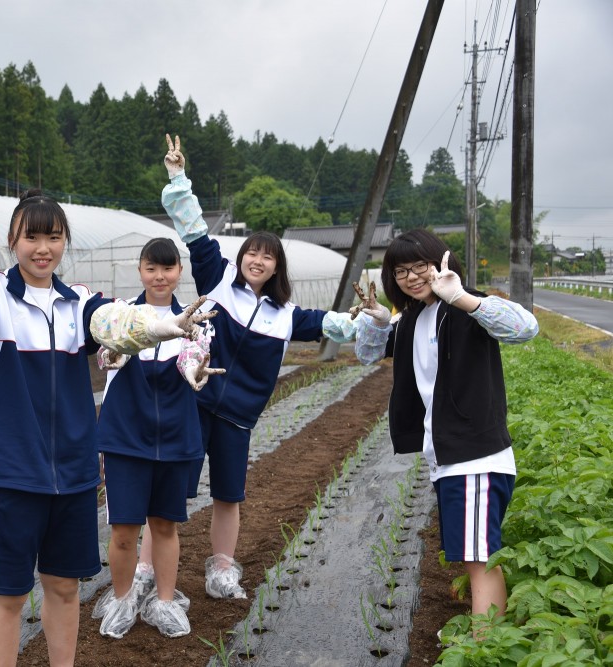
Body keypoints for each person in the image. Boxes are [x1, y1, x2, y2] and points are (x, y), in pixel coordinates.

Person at [0, 190, 214, 667]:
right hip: (11, 474)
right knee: (9, 595)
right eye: (32, 236)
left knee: (63, 588)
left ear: (65, 243)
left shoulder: (79, 302)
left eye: (54, 237)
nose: (43, 247)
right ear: (12, 240)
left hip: (75, 475)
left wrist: (166, 326)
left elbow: (117, 322)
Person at [160, 135, 360, 599]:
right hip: (195, 402)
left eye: (267, 256)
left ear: (275, 268)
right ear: (242, 257)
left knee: (229, 496)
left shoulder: (286, 317)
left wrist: (372, 319)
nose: (257, 259)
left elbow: (335, 324)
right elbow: (193, 229)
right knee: (171, 490)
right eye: (253, 251)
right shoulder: (218, 282)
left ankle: (222, 569)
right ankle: (151, 568)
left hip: (237, 417)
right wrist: (177, 176)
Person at [354, 228, 538, 630]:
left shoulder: (464, 306)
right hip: (448, 458)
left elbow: (525, 328)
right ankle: (486, 645)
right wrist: (379, 321)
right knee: (477, 555)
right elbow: (366, 354)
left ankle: (484, 650)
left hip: (475, 457)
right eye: (401, 270)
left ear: (442, 262)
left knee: (479, 559)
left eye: (420, 265)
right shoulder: (413, 318)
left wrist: (463, 298)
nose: (412, 276)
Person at [92, 238, 222, 640]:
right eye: (152, 268)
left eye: (168, 268)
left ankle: (164, 601)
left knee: (165, 525)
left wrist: (195, 373)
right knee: (124, 529)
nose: (160, 276)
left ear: (180, 271)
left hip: (175, 437)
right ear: (140, 270)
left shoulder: (198, 320)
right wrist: (110, 355)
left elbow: (190, 362)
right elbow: (108, 355)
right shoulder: (123, 316)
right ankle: (123, 597)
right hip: (125, 436)